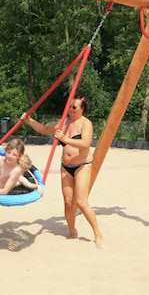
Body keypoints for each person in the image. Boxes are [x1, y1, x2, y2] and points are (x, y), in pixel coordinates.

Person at [22, 96, 104, 249]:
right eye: (70, 106)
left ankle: (97, 234)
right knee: (67, 202)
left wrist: (65, 138)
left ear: (82, 109)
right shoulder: (64, 122)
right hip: (66, 166)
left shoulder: (86, 124)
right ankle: (72, 232)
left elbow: (85, 143)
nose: (71, 110)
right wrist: (29, 120)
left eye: (74, 107)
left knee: (81, 201)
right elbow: (45, 130)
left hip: (82, 165)